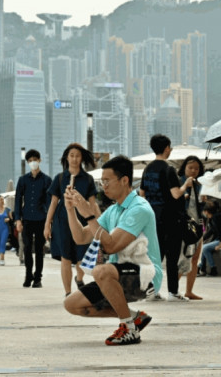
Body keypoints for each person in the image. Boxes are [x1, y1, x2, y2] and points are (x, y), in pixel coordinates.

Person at [64, 155, 163, 346]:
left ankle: (128, 328)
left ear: (125, 180)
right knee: (72, 304)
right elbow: (81, 237)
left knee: (101, 270)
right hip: (119, 274)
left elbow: (110, 245)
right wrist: (71, 210)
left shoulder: (139, 208)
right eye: (102, 181)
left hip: (145, 275)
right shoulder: (114, 210)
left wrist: (89, 214)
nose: (104, 186)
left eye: (107, 181)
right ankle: (134, 318)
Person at [139, 134, 192, 302]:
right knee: (172, 256)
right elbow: (176, 194)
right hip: (171, 218)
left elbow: (142, 194)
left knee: (155, 255)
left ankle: (151, 290)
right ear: (167, 148)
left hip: (153, 218)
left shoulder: (147, 169)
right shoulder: (169, 169)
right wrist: (186, 185)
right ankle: (173, 292)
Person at [45, 143, 100, 297]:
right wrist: (47, 224)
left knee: (81, 257)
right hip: (62, 222)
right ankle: (68, 292)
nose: (75, 159)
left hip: (83, 220)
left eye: (77, 156)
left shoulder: (88, 179)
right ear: (67, 158)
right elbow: (53, 203)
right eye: (72, 155)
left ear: (81, 158)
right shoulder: (60, 178)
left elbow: (93, 204)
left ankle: (79, 278)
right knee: (66, 257)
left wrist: (98, 222)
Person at [14, 149, 52, 288]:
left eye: (35, 160)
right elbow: (18, 200)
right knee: (27, 248)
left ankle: (38, 278)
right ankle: (28, 275)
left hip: (41, 219)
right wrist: (18, 219)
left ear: (40, 160)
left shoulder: (47, 180)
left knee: (39, 250)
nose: (33, 163)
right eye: (30, 161)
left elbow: (50, 202)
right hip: (27, 219)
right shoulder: (23, 180)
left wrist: (50, 221)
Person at [177, 156, 205, 298]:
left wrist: (204, 201)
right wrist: (185, 193)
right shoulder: (179, 181)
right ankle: (173, 290)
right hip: (183, 224)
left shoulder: (200, 184)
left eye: (197, 168)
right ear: (184, 168)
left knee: (195, 257)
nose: (194, 171)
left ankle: (189, 291)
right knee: (183, 256)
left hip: (197, 224)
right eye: (190, 168)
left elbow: (202, 207)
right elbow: (174, 199)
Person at [199, 203, 221, 276]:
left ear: (207, 211)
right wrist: (202, 239)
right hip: (217, 239)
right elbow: (211, 231)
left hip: (219, 241)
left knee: (205, 248)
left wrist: (220, 245)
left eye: (204, 211)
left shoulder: (217, 218)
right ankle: (202, 268)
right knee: (204, 246)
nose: (204, 213)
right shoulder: (212, 219)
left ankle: (213, 269)